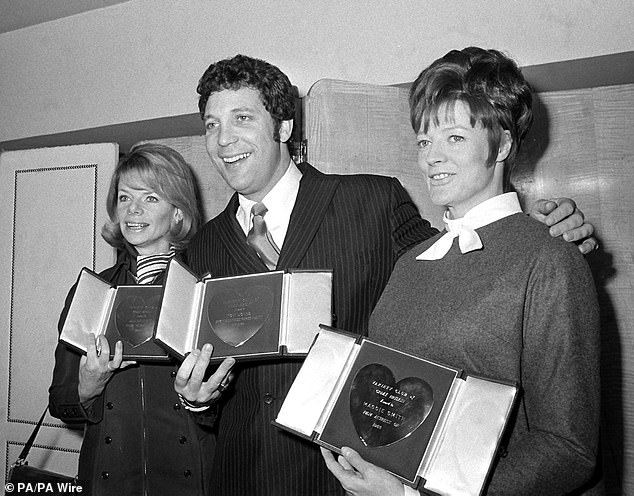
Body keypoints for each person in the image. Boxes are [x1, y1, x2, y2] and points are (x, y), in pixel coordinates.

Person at [173, 54, 598, 496]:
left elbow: (476, 253)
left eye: (241, 117)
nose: (224, 139)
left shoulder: (373, 202)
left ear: (283, 128)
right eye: (210, 124)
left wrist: (548, 231)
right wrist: (196, 398)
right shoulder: (199, 248)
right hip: (244, 477)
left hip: (351, 476)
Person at [321, 47, 600, 496]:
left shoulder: (551, 258)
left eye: (454, 138)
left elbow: (568, 450)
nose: (431, 157)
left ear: (504, 144)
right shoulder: (410, 261)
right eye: (424, 141)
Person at [48, 143, 234, 496]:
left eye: (150, 198)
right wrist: (88, 385)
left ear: (178, 212)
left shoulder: (206, 289)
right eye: (124, 198)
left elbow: (237, 409)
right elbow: (60, 402)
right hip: (109, 476)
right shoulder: (93, 291)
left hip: (192, 478)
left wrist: (202, 401)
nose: (133, 209)